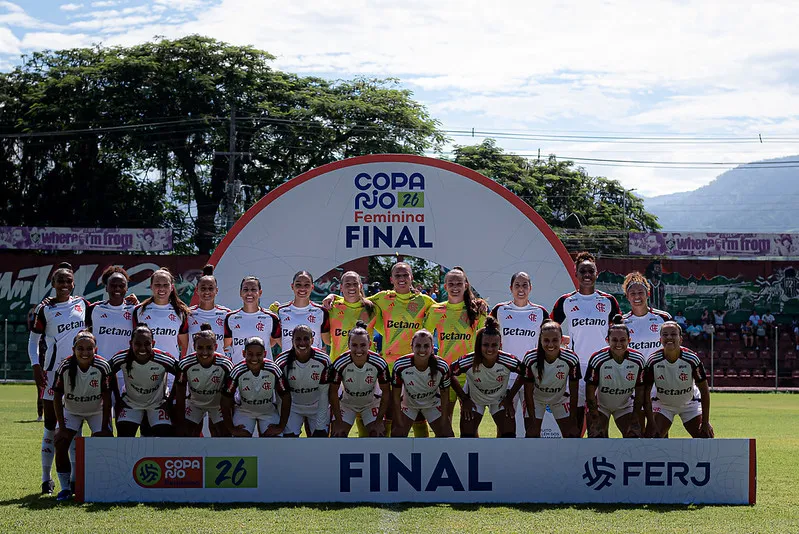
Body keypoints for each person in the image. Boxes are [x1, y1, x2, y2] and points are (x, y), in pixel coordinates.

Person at [323, 261, 438, 437]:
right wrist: (333, 296)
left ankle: (418, 453)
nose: (401, 279)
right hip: (384, 365)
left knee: (417, 413)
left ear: (411, 277)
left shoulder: (426, 301)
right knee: (384, 411)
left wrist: (478, 304)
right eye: (397, 275)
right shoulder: (380, 299)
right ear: (391, 279)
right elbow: (353, 298)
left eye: (405, 275)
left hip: (414, 364)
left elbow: (450, 306)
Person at [28, 262, 89, 494]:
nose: (64, 284)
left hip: (78, 372)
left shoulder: (83, 304)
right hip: (52, 372)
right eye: (59, 281)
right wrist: (36, 365)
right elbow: (33, 341)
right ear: (53, 284)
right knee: (50, 427)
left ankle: (73, 479)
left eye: (68, 281)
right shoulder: (44, 309)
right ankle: (46, 479)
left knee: (75, 427)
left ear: (73, 284)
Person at [551, 251, 620, 435]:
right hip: (578, 368)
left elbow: (619, 332)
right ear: (576, 274)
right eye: (583, 271)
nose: (587, 275)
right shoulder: (566, 301)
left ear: (597, 273)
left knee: (599, 423)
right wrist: (563, 342)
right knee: (576, 421)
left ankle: (599, 460)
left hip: (604, 366)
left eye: (591, 271)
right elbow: (549, 328)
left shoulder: (608, 301)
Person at [52, 330, 113, 501]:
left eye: (89, 348)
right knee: (61, 442)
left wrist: (104, 427)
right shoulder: (64, 367)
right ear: (73, 349)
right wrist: (62, 427)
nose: (85, 352)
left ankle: (100, 485)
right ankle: (65, 488)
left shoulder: (103, 366)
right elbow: (57, 396)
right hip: (72, 410)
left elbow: (107, 397)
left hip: (97, 411)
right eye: (80, 348)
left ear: (96, 349)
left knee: (104, 443)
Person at [490, 271, 550, 437]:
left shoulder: (540, 312)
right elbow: (487, 337)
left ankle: (531, 461)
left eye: (525, 285)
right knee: (505, 428)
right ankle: (503, 461)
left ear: (530, 288)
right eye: (517, 285)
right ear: (511, 288)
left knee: (532, 426)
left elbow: (552, 337)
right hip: (505, 377)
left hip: (533, 376)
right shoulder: (500, 310)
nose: (521, 289)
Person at [450, 317, 524, 438]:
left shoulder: (508, 360)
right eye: (485, 345)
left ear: (500, 345)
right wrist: (464, 398)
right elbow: (448, 373)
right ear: (479, 345)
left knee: (509, 436)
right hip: (475, 400)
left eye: (494, 345)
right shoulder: (468, 361)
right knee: (467, 436)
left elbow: (525, 373)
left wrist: (510, 397)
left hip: (499, 400)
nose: (490, 349)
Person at [644, 321, 713, 438]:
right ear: (660, 339)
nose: (669, 337)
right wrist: (651, 422)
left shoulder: (692, 359)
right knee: (652, 438)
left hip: (689, 404)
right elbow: (646, 393)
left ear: (680, 339)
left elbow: (705, 391)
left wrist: (705, 422)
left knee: (705, 436)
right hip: (663, 404)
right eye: (665, 334)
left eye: (673, 334)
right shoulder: (653, 361)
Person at [584, 316, 647, 438]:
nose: (618, 344)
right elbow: (590, 392)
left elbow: (640, 392)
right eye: (614, 340)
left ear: (629, 340)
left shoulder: (638, 360)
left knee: (634, 437)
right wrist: (595, 415)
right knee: (597, 437)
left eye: (623, 340)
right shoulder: (598, 359)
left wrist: (635, 415)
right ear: (607, 340)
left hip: (625, 406)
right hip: (601, 406)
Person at [110, 325, 177, 437]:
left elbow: (182, 373)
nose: (142, 348)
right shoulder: (122, 358)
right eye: (137, 344)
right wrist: (117, 398)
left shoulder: (163, 359)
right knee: (124, 435)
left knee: (164, 435)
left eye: (147, 344)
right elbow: (107, 372)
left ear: (153, 343)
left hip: (157, 404)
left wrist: (170, 400)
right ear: (131, 343)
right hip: (131, 403)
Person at [328, 321, 390, 437]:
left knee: (377, 433)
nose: (359, 350)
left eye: (363, 345)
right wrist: (339, 422)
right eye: (354, 345)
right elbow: (333, 392)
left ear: (370, 344)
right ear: (348, 344)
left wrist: (378, 421)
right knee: (338, 434)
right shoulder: (340, 363)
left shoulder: (379, 363)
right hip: (347, 404)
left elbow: (386, 392)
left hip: (371, 403)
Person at [86, 266, 137, 405]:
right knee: (101, 415)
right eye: (113, 285)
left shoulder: (135, 310)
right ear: (106, 287)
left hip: (127, 373)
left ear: (127, 288)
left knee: (125, 417)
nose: (117, 289)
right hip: (100, 371)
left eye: (121, 286)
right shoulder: (93, 309)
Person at [521, 319, 580, 438]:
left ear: (561, 340)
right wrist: (532, 422)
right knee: (532, 433)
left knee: (571, 434)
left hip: (560, 399)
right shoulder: (530, 358)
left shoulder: (571, 358)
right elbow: (528, 392)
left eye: (555, 340)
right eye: (546, 340)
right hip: (536, 399)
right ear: (540, 340)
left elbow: (574, 392)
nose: (550, 344)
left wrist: (573, 420)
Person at [222, 336, 291, 437]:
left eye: (258, 354)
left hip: (268, 411)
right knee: (240, 439)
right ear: (243, 353)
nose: (254, 358)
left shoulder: (274, 369)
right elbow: (225, 399)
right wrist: (232, 429)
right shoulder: (237, 371)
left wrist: (281, 426)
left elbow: (286, 397)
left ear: (265, 354)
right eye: (250, 354)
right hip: (244, 411)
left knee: (275, 439)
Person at [390, 329, 453, 437]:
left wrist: (444, 420)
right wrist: (398, 419)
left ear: (432, 348)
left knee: (446, 435)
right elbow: (395, 396)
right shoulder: (400, 365)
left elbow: (445, 394)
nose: (422, 350)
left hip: (432, 404)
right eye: (418, 346)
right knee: (397, 435)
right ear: (412, 346)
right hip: (409, 404)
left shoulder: (441, 366)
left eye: (426, 346)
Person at [173, 324, 233, 437]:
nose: (204, 352)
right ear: (194, 346)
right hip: (195, 403)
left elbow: (229, 395)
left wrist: (229, 421)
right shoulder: (185, 364)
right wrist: (180, 423)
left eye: (209, 348)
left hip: (217, 404)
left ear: (215, 347)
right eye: (200, 348)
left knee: (223, 433)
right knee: (186, 433)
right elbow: (180, 396)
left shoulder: (226, 365)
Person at [274, 325, 331, 437]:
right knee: (289, 440)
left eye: (306, 339)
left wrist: (320, 426)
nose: (302, 343)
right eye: (298, 339)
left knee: (320, 440)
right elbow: (281, 397)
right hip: (293, 407)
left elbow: (324, 394)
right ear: (292, 341)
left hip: (316, 406)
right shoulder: (281, 362)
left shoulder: (323, 361)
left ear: (312, 340)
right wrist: (283, 423)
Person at [133, 268, 189, 371]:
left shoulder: (181, 312)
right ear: (151, 287)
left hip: (171, 369)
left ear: (172, 287)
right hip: (145, 369)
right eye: (157, 285)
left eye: (165, 285)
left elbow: (184, 343)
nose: (161, 288)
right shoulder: (139, 310)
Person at [224, 276, 281, 363]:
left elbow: (273, 343)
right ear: (240, 293)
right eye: (245, 290)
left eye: (253, 290)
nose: (249, 293)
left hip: (264, 371)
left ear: (260, 292)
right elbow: (226, 344)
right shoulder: (230, 317)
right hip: (238, 370)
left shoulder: (271, 317)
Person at [274, 271, 330, 351]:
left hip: (312, 361)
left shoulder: (321, 311)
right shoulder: (281, 311)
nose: (302, 288)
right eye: (298, 285)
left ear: (312, 287)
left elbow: (327, 341)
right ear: (292, 286)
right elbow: (276, 339)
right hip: (289, 361)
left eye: (306, 285)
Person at [327, 271, 376, 361]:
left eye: (355, 283)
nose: (352, 287)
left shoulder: (371, 308)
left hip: (367, 364)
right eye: (347, 284)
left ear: (360, 286)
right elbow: (326, 340)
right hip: (339, 364)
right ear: (341, 288)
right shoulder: (332, 307)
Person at [622, 272, 671, 360]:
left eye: (641, 292)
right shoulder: (622, 322)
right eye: (632, 293)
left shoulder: (664, 318)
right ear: (627, 297)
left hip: (658, 371)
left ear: (648, 294)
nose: (637, 296)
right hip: (633, 372)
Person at [188, 265, 231, 355]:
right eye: (203, 288)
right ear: (197, 291)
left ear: (216, 290)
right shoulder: (188, 313)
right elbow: (184, 343)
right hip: (194, 365)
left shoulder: (226, 314)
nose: (207, 292)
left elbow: (226, 343)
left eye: (211, 288)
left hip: (218, 365)